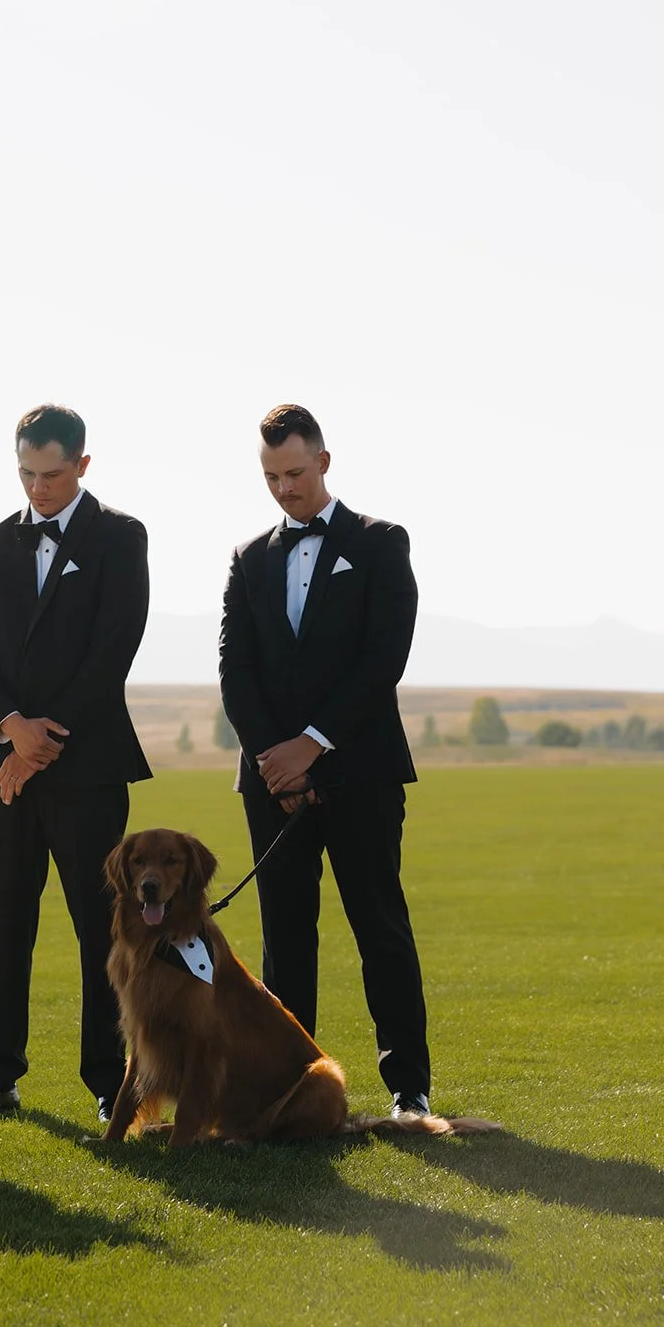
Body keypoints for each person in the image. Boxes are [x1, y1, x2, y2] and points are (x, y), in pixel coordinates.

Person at [218, 403, 431, 1117]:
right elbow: (234, 670)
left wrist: (311, 744)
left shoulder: (379, 543)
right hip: (270, 783)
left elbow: (382, 661)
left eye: (295, 473)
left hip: (360, 773)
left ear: (324, 463)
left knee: (378, 926)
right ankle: (288, 1087)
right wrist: (272, 761)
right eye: (270, 476)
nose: (283, 488)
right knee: (283, 936)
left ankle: (408, 1088)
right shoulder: (248, 557)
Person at [0, 405, 150, 1123]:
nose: (39, 487)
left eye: (53, 474)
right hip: (0, 764)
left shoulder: (121, 536)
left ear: (83, 465)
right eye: (26, 473)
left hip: (86, 767)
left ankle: (106, 1083)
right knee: (7, 922)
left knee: (100, 926)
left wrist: (36, 747)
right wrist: (7, 729)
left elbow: (111, 650)